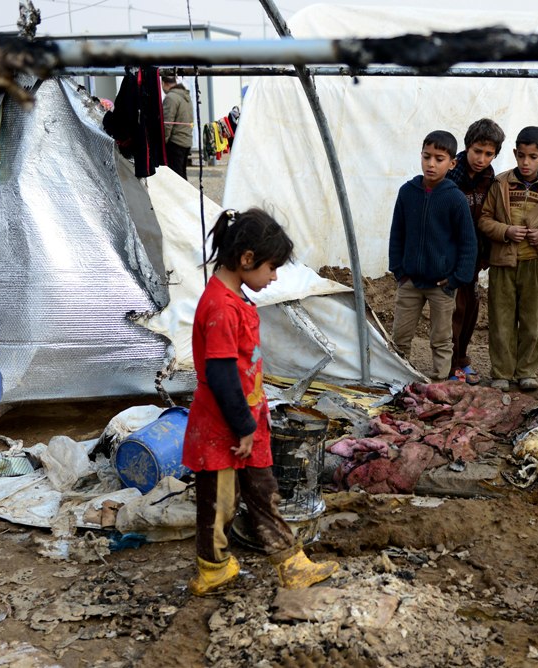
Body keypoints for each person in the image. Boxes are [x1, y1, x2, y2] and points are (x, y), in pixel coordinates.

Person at [182, 208, 338, 596]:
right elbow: (220, 377)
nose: (274, 277)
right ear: (247, 259)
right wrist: (244, 427)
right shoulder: (219, 306)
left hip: (246, 422)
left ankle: (291, 563)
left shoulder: (233, 299)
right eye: (271, 268)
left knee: (264, 492)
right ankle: (213, 569)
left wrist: (253, 423)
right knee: (219, 504)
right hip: (224, 428)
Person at [478, 126, 538, 391]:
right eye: (521, 156)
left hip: (534, 264)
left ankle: (527, 371)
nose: (526, 162)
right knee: (501, 319)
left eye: (532, 156)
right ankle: (502, 372)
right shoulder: (501, 184)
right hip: (502, 263)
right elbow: (484, 219)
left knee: (532, 320)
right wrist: (506, 231)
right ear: (515, 154)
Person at [389, 130, 477, 380]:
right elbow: (397, 233)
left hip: (442, 286)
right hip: (410, 283)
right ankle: (398, 380)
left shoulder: (455, 198)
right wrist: (399, 271)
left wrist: (456, 279)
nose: (431, 164)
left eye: (439, 159)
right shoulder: (407, 192)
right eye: (427, 156)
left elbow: (468, 243)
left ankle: (440, 381)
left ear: (452, 163)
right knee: (400, 337)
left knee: (441, 338)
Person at [447, 118, 506, 384]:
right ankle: (450, 365)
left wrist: (484, 255)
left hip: (475, 255)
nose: (481, 158)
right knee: (453, 310)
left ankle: (462, 359)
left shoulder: (490, 179)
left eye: (489, 153)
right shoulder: (450, 173)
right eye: (477, 151)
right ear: (467, 146)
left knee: (470, 307)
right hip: (450, 254)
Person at [160, 72, 194, 179]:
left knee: (176, 179)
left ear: (164, 83)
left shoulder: (171, 97)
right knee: (182, 176)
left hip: (175, 144)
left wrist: (161, 144)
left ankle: (184, 196)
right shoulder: (185, 96)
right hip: (185, 142)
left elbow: (167, 124)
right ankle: (187, 195)